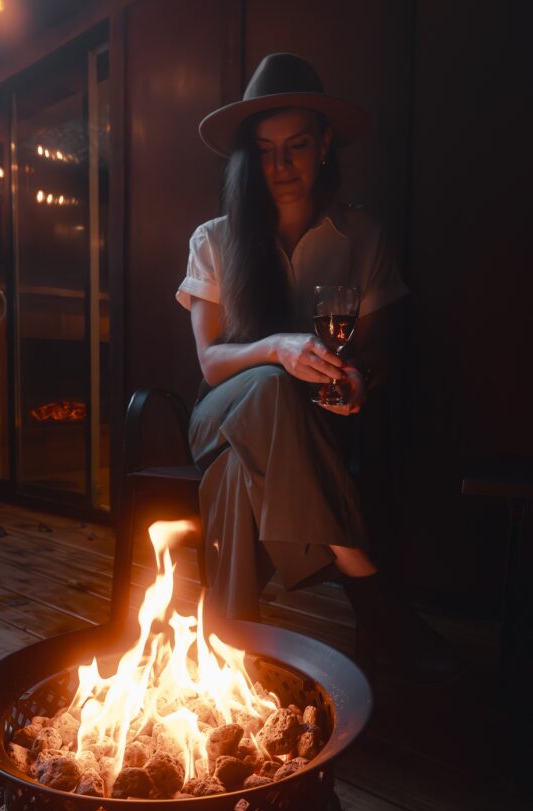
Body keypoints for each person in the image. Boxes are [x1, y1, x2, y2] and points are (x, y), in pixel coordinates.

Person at [175, 52, 464, 686]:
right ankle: (368, 585)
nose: (281, 166)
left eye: (298, 146)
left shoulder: (361, 236)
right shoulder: (215, 238)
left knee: (232, 476)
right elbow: (211, 362)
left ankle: (230, 653)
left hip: (308, 435)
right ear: (250, 156)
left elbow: (376, 353)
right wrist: (276, 348)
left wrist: (359, 380)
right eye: (266, 150)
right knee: (269, 390)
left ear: (325, 143)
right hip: (217, 417)